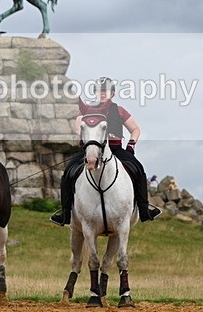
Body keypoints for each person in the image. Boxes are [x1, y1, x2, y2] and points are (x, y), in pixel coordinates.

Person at [50, 77, 162, 225]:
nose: (102, 93)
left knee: (138, 169)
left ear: (112, 93)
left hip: (115, 148)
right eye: (99, 91)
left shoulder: (120, 110)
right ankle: (66, 213)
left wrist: (131, 145)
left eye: (105, 91)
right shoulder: (88, 110)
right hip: (92, 148)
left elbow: (135, 129)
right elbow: (78, 127)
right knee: (69, 172)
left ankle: (143, 208)